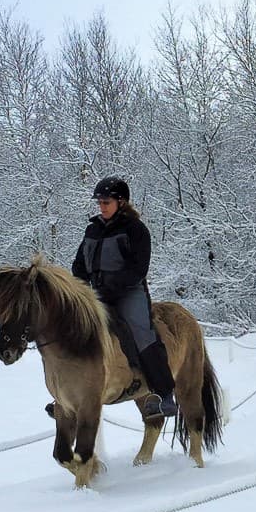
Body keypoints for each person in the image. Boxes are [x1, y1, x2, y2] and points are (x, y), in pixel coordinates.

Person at [70, 175, 178, 418]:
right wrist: (80, 289)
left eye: (106, 202)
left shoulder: (135, 230)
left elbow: (138, 269)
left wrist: (111, 289)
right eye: (100, 203)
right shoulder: (92, 230)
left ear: (121, 202)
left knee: (141, 332)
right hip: (96, 294)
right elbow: (79, 265)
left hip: (128, 292)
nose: (102, 206)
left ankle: (165, 393)